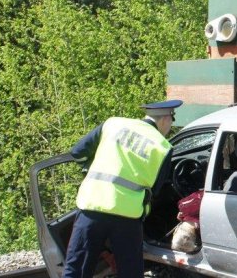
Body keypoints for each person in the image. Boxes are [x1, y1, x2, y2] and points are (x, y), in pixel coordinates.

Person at [62, 99, 183, 278]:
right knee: (130, 272)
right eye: (172, 120)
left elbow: (77, 152)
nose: (170, 126)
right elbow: (156, 189)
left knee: (77, 269)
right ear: (165, 119)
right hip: (127, 217)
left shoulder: (113, 123)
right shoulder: (163, 147)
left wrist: (91, 167)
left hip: (92, 207)